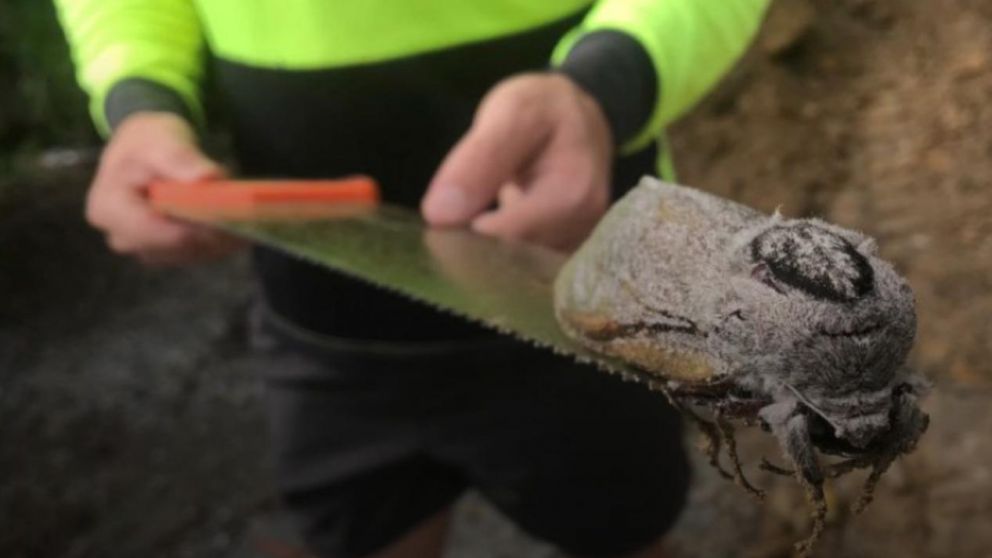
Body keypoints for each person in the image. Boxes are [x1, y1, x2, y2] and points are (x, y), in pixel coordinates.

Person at [55, 2, 771, 557]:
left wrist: (602, 87)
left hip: (579, 295)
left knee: (628, 533)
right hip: (321, 317)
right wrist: (140, 102)